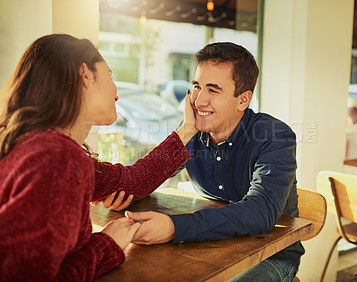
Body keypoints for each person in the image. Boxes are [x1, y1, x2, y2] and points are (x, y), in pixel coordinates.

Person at [0, 34, 197, 281]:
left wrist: (188, 128)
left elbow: (132, 181)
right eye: (110, 75)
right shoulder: (59, 158)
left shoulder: (38, 145)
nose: (116, 92)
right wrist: (108, 243)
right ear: (85, 75)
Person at [103, 42, 303, 281]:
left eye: (213, 90)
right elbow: (149, 175)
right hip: (207, 247)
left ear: (243, 100)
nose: (198, 101)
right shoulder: (192, 128)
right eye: (197, 87)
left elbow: (260, 212)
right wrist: (129, 195)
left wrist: (174, 228)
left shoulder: (274, 136)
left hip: (269, 255)